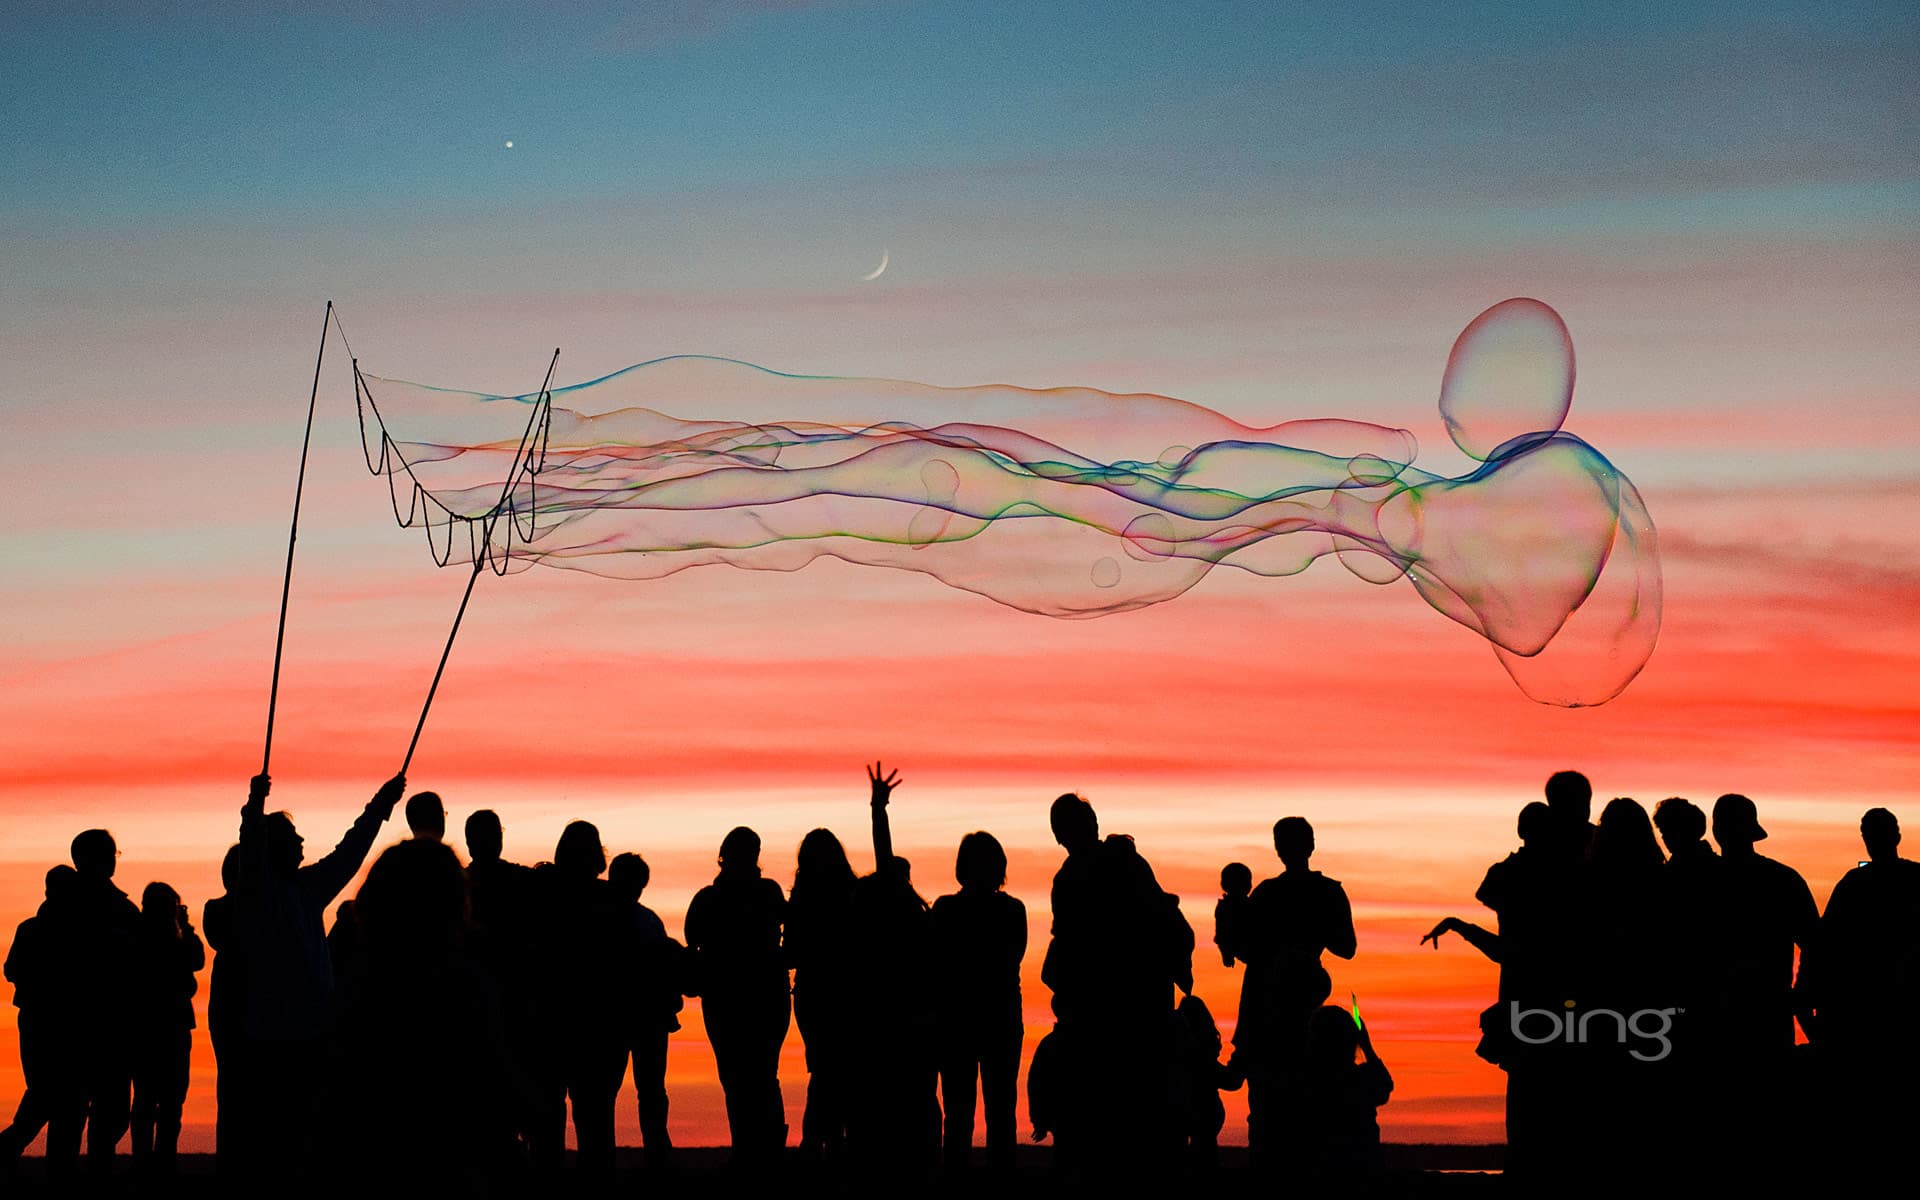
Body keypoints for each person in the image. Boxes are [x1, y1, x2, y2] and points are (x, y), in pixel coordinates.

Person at [229, 771, 406, 1178]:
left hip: (308, 1033)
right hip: (275, 1036)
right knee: (279, 1137)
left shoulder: (307, 887)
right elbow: (251, 851)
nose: (302, 841)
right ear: (275, 846)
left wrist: (380, 805)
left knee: (303, 1135)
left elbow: (351, 851)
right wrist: (253, 807)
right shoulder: (257, 892)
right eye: (293, 835)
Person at [1421, 801, 1575, 1178]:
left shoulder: (1512, 875)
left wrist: (1460, 926)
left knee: (1527, 1089)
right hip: (1548, 998)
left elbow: (1506, 951)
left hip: (1531, 997)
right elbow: (1508, 951)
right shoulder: (1562, 875)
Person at [1041, 792, 1192, 1169]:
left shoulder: (1086, 873)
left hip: (1116, 1010)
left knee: (1113, 1115)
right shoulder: (1116, 865)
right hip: (1124, 1008)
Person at [1228, 816, 1355, 1169]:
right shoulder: (1325, 891)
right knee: (1296, 1109)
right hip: (1287, 1007)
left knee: (1271, 1112)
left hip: (1275, 1009)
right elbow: (1346, 946)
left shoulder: (1269, 894)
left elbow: (1244, 951)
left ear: (1279, 849)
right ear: (1310, 846)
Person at [1705, 793, 1819, 1172]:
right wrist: (1799, 997)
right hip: (1758, 1021)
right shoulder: (1782, 880)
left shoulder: (1700, 885)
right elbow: (1817, 947)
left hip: (1727, 1025)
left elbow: (1816, 947)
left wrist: (1799, 996)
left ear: (1718, 831)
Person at [1802, 808, 1919, 1173]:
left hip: (1875, 1024)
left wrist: (1807, 1006)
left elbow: (1820, 950)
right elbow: (1821, 949)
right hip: (1864, 1023)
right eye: (1869, 832)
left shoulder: (1855, 885)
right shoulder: (1855, 885)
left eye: (1875, 832)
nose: (1873, 840)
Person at [846, 762, 938, 1169]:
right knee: (915, 1101)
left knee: (882, 1102)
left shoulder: (887, 921)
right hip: (909, 1022)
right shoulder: (915, 918)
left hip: (887, 1022)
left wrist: (878, 808)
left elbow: (883, 861)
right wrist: (878, 809)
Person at [526, 821, 630, 1175]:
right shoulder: (612, 900)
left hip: (549, 1021)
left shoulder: (539, 894)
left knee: (546, 1119)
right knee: (597, 1121)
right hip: (598, 1025)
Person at [684, 826, 790, 1161]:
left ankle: (748, 1149)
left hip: (727, 999)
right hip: (764, 996)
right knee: (762, 1076)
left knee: (736, 1077)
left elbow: (692, 940)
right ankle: (766, 1150)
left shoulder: (708, 899)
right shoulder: (769, 893)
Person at [930, 829, 1027, 1169]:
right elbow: (1010, 958)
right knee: (1000, 1111)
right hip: (999, 1019)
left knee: (958, 1114)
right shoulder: (1013, 911)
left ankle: (957, 1182)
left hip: (957, 1020)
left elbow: (935, 963)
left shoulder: (944, 910)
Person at [58, 828, 140, 1175]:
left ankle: (92, 1172)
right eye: (108, 853)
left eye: (113, 853)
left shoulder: (122, 907)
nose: (112, 860)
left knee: (110, 1111)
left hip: (112, 1025)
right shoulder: (64, 908)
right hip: (81, 1024)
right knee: (74, 1111)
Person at [784, 827, 858, 1161]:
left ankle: (818, 1140)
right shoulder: (854, 894)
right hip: (846, 991)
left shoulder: (801, 899)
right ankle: (835, 1140)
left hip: (814, 992)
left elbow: (792, 952)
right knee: (843, 1067)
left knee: (825, 1069)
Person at [0, 866, 80, 1167]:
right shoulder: (44, 930)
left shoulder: (32, 928)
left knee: (49, 1096)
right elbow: (11, 970)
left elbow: (11, 970)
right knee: (50, 1095)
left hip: (44, 1020)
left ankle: (11, 1149)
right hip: (46, 1021)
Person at [609, 851, 684, 1168]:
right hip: (638, 1017)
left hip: (623, 1017)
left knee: (631, 1090)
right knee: (649, 1090)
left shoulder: (640, 920)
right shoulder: (649, 920)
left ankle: (645, 1153)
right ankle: (657, 1154)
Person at [128, 882, 204, 1175]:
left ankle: (149, 1162)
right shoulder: (152, 938)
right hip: (162, 1028)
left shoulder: (139, 934)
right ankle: (155, 1163)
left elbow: (196, 960)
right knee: (160, 1101)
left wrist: (183, 927)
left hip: (154, 1028)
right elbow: (195, 960)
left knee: (156, 1101)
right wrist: (184, 927)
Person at [1291, 1005, 1393, 1174]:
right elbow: (1384, 1088)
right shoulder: (1360, 1079)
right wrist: (1367, 1047)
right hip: (1363, 1168)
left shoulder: (1306, 1080)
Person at [201, 845, 248, 1172]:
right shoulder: (219, 909)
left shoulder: (218, 909)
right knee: (233, 1089)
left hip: (229, 1003)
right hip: (235, 1004)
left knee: (232, 1089)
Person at [1215, 863, 1253, 967]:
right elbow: (1222, 934)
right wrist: (1227, 954)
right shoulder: (1224, 907)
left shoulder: (1223, 907)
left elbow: (1221, 935)